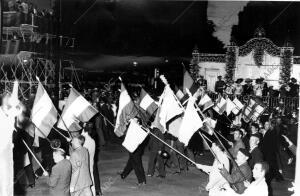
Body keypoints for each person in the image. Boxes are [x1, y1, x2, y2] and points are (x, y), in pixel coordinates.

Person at [82, 125, 96, 196]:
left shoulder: (84, 141)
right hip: (90, 163)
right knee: (91, 180)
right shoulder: (92, 140)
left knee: (87, 185)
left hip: (85, 165)